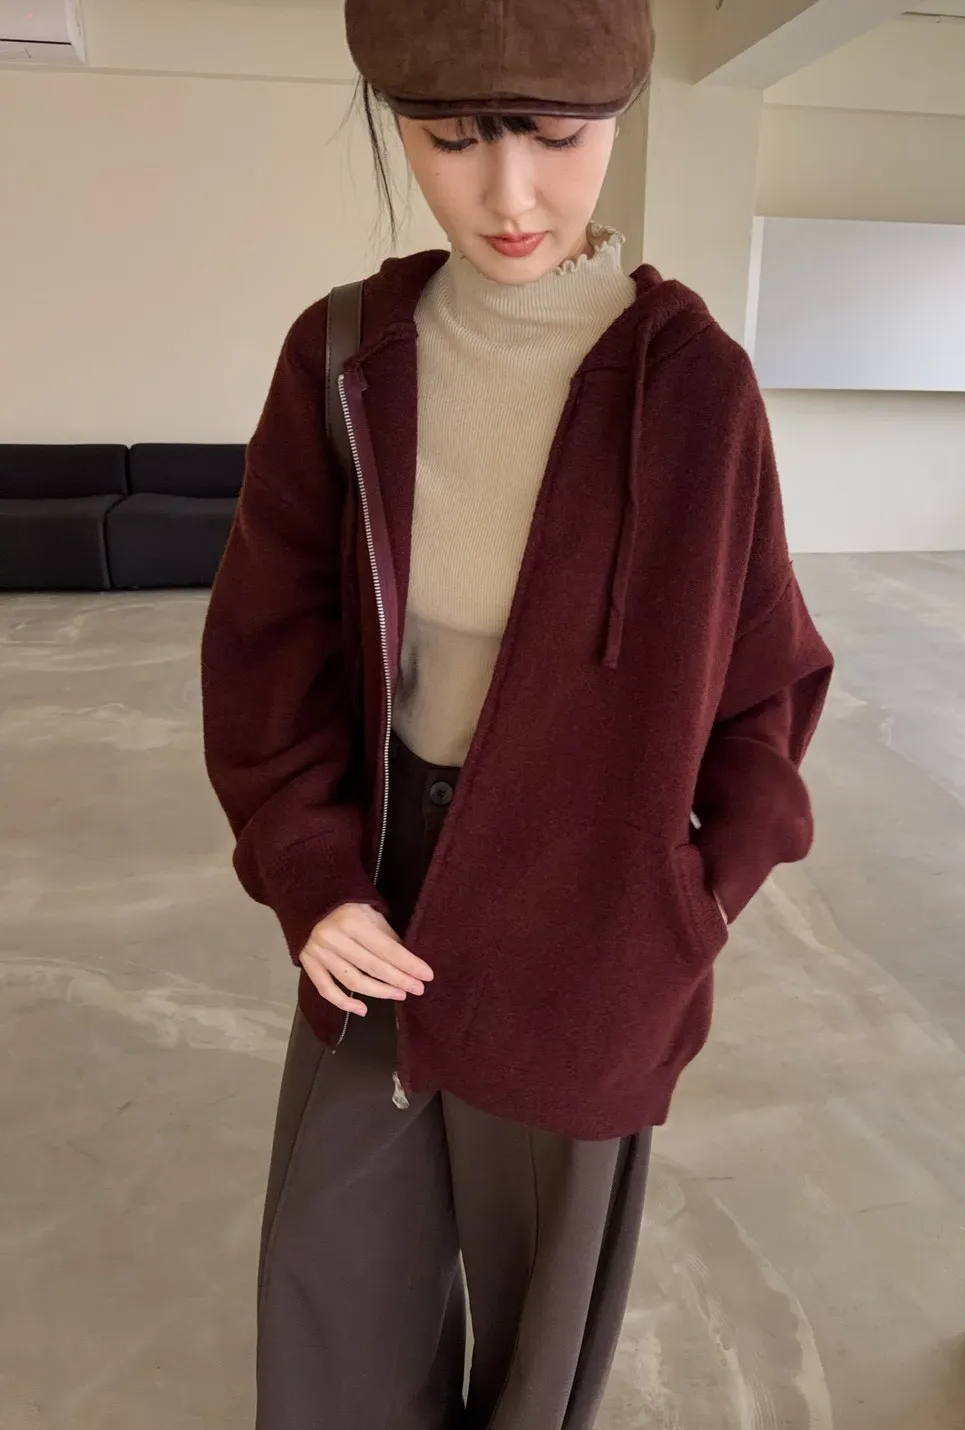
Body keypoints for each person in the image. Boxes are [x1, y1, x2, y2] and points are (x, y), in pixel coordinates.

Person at [201, 1, 834, 1426]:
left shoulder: (697, 389)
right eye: (452, 140)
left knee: (541, 1353)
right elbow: (266, 649)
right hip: (382, 891)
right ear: (395, 126)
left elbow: (769, 684)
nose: (511, 194)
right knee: (331, 1294)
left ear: (615, 119)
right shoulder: (344, 355)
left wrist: (689, 905)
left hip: (595, 922)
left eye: (557, 136)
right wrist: (309, 871)